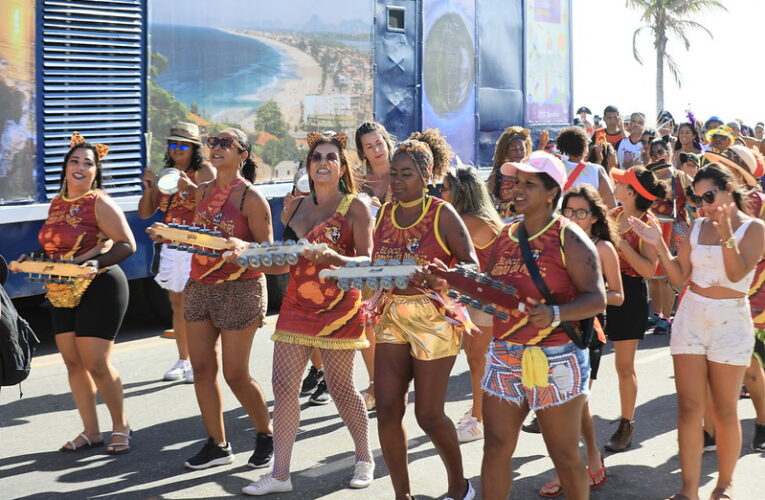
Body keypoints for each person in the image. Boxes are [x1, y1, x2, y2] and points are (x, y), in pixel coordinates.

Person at [242, 132, 374, 495]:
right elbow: (283, 266)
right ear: (308, 164)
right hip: (296, 307)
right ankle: (280, 473)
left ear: (342, 166)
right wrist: (248, 258)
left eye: (332, 157)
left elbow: (367, 261)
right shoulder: (296, 207)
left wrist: (335, 258)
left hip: (340, 309)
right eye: (317, 156)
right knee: (284, 387)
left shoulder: (356, 206)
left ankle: (364, 457)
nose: (323, 162)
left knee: (343, 389)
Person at [630, 164, 765, 500]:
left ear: (729, 190)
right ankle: (688, 490)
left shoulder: (754, 229)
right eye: (697, 198)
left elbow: (736, 276)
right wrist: (660, 245)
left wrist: (725, 234)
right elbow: (678, 279)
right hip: (691, 318)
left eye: (709, 196)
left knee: (724, 409)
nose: (702, 205)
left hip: (731, 322)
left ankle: (724, 484)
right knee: (689, 408)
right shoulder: (695, 227)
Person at [480, 151, 606, 500]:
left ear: (552, 193)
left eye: (529, 184)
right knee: (496, 447)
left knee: (564, 455)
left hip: (556, 357)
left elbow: (596, 299)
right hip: (505, 354)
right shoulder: (505, 236)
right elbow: (491, 289)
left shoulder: (569, 238)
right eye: (516, 182)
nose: (517, 190)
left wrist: (554, 313)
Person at [153, 128, 274, 470]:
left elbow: (270, 252)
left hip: (240, 289)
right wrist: (167, 234)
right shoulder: (200, 191)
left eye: (225, 144)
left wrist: (244, 248)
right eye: (212, 142)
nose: (216, 148)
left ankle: (266, 434)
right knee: (203, 369)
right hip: (199, 286)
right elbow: (193, 233)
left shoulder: (250, 198)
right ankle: (218, 444)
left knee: (236, 374)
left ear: (242, 155)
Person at [371, 129, 477, 500]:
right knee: (386, 409)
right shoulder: (383, 213)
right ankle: (403, 495)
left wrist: (442, 278)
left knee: (428, 415)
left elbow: (471, 265)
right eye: (394, 173)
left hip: (433, 317)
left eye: (406, 174)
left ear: (427, 177)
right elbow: (376, 265)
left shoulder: (442, 214)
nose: (397, 180)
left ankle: (459, 487)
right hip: (391, 314)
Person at [38, 132, 136, 454]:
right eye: (74, 161)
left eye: (88, 163)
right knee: (72, 363)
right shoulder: (56, 203)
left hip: (102, 285)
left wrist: (95, 262)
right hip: (63, 289)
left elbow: (127, 245)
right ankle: (91, 432)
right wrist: (35, 262)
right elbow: (55, 250)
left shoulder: (100, 202)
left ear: (96, 171)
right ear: (65, 166)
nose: (80, 167)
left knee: (96, 363)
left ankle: (121, 426)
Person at [537, 184, 624, 498]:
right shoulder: (553, 242)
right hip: (550, 331)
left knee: (573, 404)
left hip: (584, 332)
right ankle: (583, 462)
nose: (574, 217)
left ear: (594, 217)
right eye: (568, 211)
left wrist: (585, 299)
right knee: (568, 403)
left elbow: (617, 294)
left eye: (581, 212)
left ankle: (580, 465)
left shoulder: (602, 247)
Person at [138, 122, 215, 383]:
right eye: (173, 144)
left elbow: (213, 207)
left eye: (184, 145)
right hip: (172, 245)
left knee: (199, 306)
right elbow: (146, 213)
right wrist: (149, 187)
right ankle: (184, 360)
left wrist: (188, 188)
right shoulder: (165, 175)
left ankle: (201, 360)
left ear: (194, 148)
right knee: (178, 305)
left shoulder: (204, 171)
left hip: (197, 243)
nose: (177, 149)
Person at [440, 165, 504, 443]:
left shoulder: (468, 221)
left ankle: (479, 419)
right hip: (478, 297)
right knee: (478, 358)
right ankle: (481, 411)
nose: (439, 192)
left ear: (459, 191)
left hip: (489, 299)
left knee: (479, 359)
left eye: (444, 188)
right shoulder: (472, 219)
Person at [605, 166, 667, 452]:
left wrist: (620, 244)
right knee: (586, 357)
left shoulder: (647, 224)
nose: (615, 184)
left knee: (624, 366)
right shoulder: (614, 215)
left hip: (630, 294)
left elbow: (647, 270)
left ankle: (627, 423)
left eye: (621, 183)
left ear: (630, 193)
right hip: (603, 289)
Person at [354, 120, 397, 410]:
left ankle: (396, 383)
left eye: (379, 142)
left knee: (397, 324)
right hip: (369, 260)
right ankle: (374, 383)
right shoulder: (358, 181)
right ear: (362, 152)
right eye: (369, 146)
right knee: (367, 323)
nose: (376, 149)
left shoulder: (404, 172)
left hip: (402, 258)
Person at [646, 137, 689, 335]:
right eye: (654, 152)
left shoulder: (680, 176)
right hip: (653, 227)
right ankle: (656, 314)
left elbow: (692, 201)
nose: (657, 156)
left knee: (667, 275)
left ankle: (666, 316)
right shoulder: (647, 175)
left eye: (661, 151)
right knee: (653, 276)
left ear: (670, 152)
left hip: (674, 229)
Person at [555, 126, 616, 208]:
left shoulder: (556, 167)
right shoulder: (597, 170)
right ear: (585, 147)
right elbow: (611, 204)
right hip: (588, 218)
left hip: (564, 218)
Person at [487, 126, 532, 218]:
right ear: (506, 151)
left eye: (521, 149)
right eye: (514, 149)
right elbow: (487, 199)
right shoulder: (497, 175)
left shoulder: (532, 173)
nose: (518, 152)